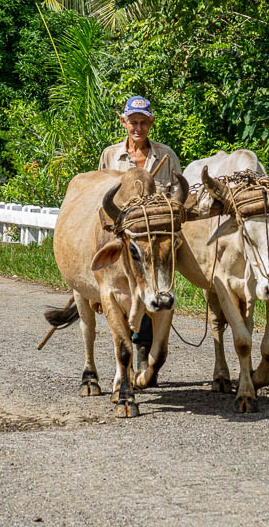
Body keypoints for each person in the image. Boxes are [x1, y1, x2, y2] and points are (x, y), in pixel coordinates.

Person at [98, 95, 182, 375]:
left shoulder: (166, 156)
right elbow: (102, 203)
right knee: (118, 295)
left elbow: (178, 198)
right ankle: (127, 357)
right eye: (133, 122)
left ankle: (144, 349)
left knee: (153, 290)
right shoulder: (111, 155)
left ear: (151, 123)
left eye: (143, 122)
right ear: (123, 122)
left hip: (155, 241)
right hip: (123, 240)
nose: (138, 128)